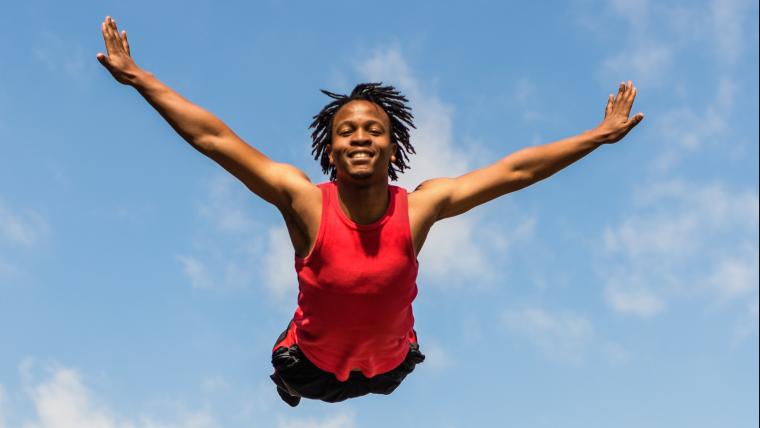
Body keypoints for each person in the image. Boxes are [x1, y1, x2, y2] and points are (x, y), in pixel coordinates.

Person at [96, 16, 645, 406]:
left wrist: (596, 137)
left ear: (392, 147)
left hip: (390, 368)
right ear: (330, 149)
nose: (360, 137)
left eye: (373, 129)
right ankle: (285, 382)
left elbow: (514, 172)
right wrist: (139, 78)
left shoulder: (421, 207)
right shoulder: (304, 201)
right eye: (347, 130)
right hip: (308, 369)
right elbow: (215, 139)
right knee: (295, 378)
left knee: (384, 374)